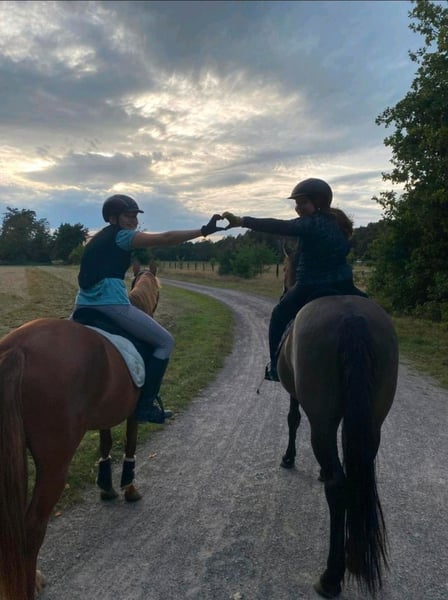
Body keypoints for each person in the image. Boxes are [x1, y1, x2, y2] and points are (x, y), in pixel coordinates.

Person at [74, 194, 224, 422]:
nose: (133, 221)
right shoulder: (122, 236)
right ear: (112, 218)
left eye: (135, 216)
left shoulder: (96, 239)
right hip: (111, 305)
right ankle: (145, 406)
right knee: (165, 342)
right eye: (128, 216)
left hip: (82, 305)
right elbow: (166, 238)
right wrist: (203, 231)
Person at [223, 177, 367, 382]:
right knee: (369, 308)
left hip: (310, 286)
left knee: (279, 315)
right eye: (297, 204)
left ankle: (275, 368)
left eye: (303, 203)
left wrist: (242, 221)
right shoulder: (339, 224)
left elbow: (278, 226)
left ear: (319, 202)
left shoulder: (310, 223)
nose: (298, 208)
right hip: (345, 285)